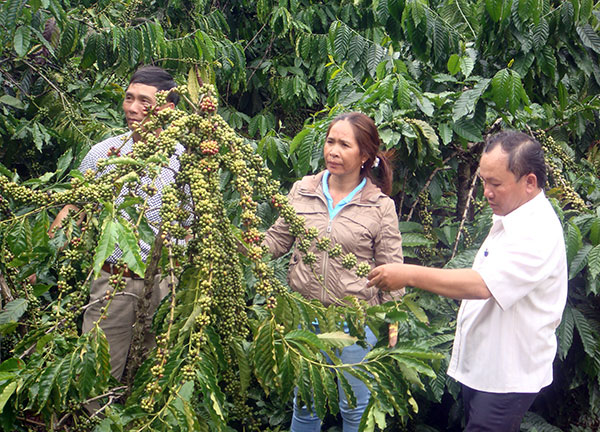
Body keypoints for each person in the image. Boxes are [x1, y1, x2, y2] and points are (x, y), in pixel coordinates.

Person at [367, 130, 568, 431]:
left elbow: (481, 285)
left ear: (530, 182)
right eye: (484, 181)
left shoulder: (536, 231)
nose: (485, 192)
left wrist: (407, 273)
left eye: (495, 184)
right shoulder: (512, 214)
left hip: (506, 377)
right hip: (487, 368)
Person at [263, 112, 404, 432]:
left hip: (355, 323)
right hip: (304, 316)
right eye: (330, 142)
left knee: (354, 410)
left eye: (344, 144)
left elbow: (391, 269)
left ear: (365, 155)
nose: (334, 151)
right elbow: (276, 241)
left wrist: (393, 319)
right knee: (306, 406)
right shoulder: (303, 190)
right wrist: (240, 244)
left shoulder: (379, 206)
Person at [48, 65, 182, 382]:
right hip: (114, 282)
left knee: (153, 376)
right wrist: (56, 240)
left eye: (145, 102)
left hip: (164, 284)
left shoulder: (184, 161)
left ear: (168, 110)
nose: (133, 109)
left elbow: (193, 227)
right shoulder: (104, 153)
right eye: (129, 98)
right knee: (95, 372)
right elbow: (75, 203)